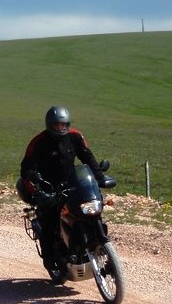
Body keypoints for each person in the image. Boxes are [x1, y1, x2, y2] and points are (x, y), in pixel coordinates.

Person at [17, 105, 109, 270]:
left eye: (63, 124)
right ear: (49, 125)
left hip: (72, 183)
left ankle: (91, 242)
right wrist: (35, 183)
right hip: (49, 187)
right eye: (56, 125)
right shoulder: (39, 142)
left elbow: (87, 157)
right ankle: (50, 259)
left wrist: (100, 177)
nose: (60, 128)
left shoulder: (75, 136)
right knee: (50, 220)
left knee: (88, 210)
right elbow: (26, 167)